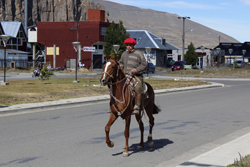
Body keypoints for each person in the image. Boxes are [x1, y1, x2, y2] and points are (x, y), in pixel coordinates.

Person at [119, 37, 147, 115]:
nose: (128, 46)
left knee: (138, 86)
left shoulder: (138, 54)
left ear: (133, 45)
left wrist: (136, 70)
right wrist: (120, 66)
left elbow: (144, 64)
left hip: (136, 76)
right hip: (125, 75)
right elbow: (121, 62)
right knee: (115, 85)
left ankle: (137, 106)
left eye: (130, 45)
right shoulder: (124, 54)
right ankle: (114, 104)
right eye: (127, 45)